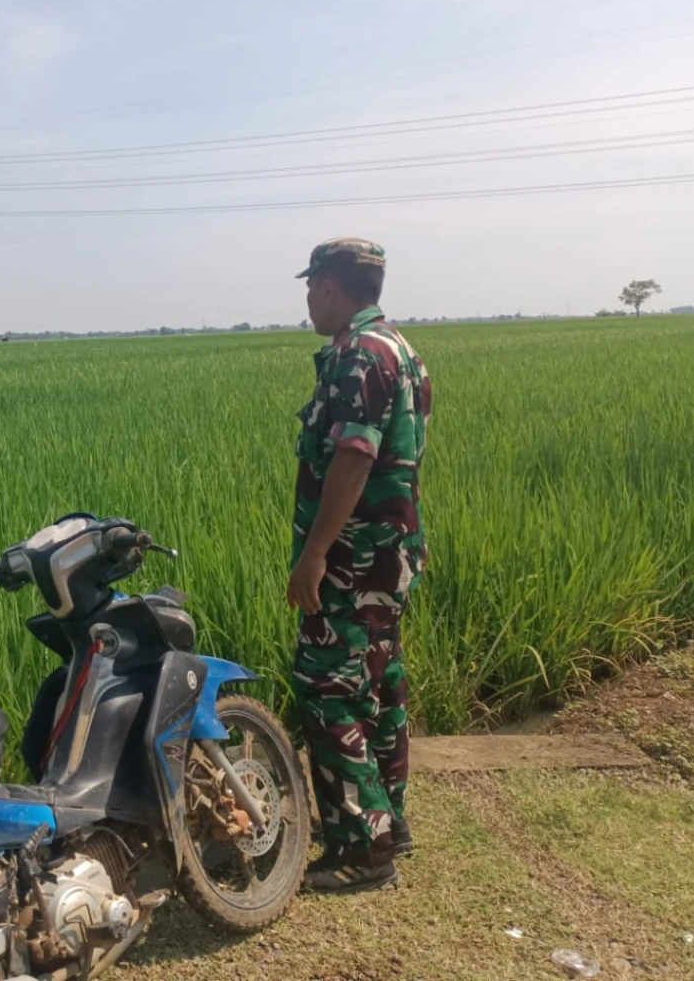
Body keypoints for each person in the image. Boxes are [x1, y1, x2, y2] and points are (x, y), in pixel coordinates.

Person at [287, 237, 431, 895]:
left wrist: (315, 553)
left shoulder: (358, 355)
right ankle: (387, 823)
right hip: (388, 555)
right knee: (378, 682)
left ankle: (362, 848)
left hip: (352, 560)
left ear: (329, 286)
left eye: (310, 286)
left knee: (327, 685)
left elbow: (354, 455)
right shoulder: (399, 348)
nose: (307, 299)